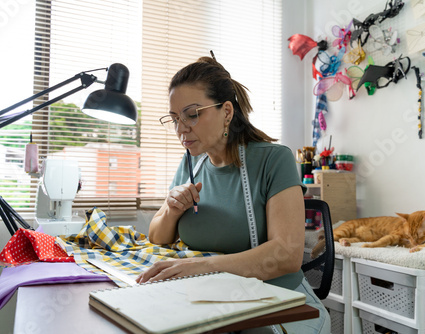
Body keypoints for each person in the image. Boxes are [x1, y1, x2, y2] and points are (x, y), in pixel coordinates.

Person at [136, 54, 330, 333]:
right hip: (211, 298)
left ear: (227, 111)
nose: (180, 129)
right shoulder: (191, 163)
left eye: (191, 115)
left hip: (277, 306)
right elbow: (158, 237)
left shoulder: (273, 160)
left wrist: (203, 266)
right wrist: (172, 208)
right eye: (174, 118)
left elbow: (286, 254)